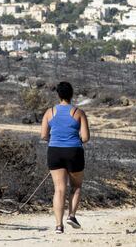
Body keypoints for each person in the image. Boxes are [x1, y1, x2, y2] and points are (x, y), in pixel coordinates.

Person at [41, 81, 90, 234]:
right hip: (74, 151)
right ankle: (72, 216)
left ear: (58, 95)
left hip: (54, 151)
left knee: (59, 189)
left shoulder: (49, 112)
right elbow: (86, 137)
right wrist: (73, 141)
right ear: (71, 94)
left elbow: (43, 135)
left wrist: (56, 140)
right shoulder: (78, 112)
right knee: (76, 187)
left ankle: (58, 226)